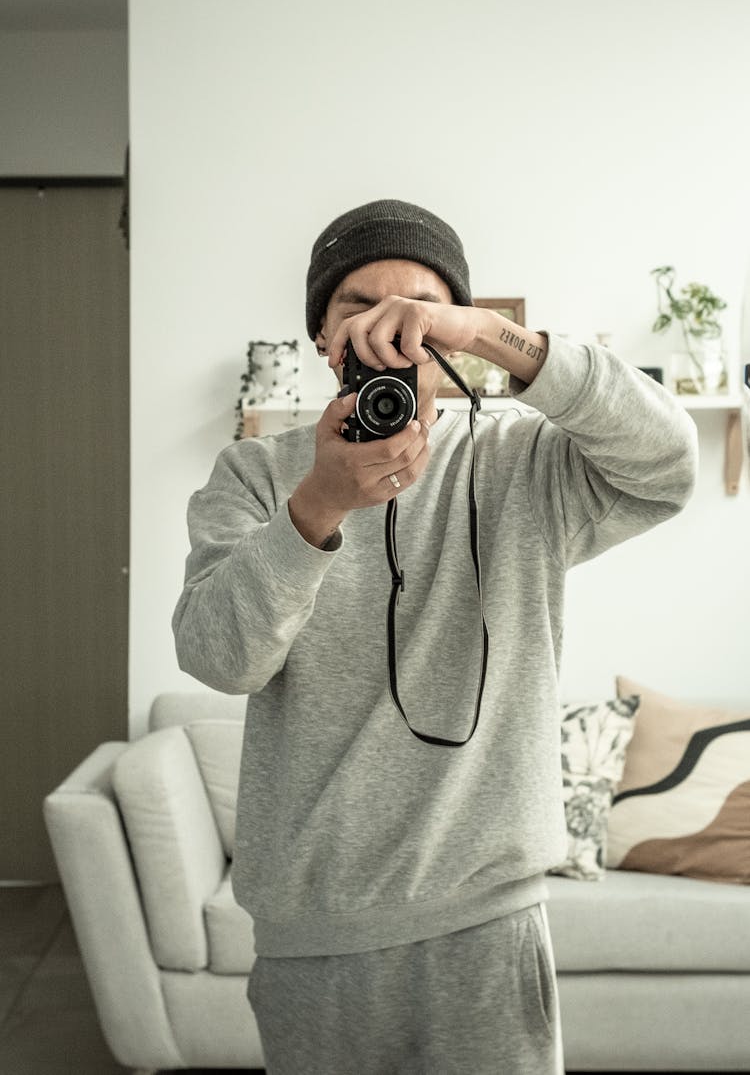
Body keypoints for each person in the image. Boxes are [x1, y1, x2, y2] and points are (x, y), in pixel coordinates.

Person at [172, 199, 697, 1074]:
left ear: (450, 329)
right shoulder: (257, 475)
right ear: (321, 338)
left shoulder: (520, 463)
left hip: (488, 920)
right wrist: (320, 504)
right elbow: (219, 657)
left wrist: (493, 335)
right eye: (358, 307)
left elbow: (670, 463)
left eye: (416, 309)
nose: (388, 330)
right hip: (313, 934)